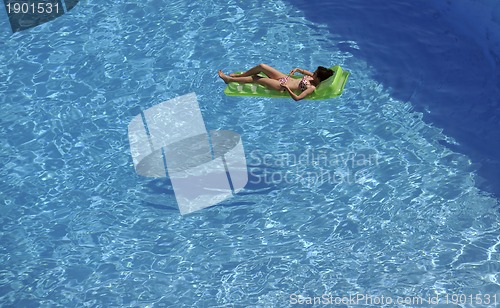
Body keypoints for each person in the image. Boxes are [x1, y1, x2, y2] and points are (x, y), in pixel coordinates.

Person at [218, 64, 334, 101]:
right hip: (285, 78)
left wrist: (287, 88)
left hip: (281, 86)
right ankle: (240, 75)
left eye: (315, 73)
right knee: (262, 66)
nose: (312, 73)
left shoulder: (312, 87)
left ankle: (229, 80)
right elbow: (305, 72)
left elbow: (297, 99)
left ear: (319, 78)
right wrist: (298, 70)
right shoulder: (312, 77)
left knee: (258, 79)